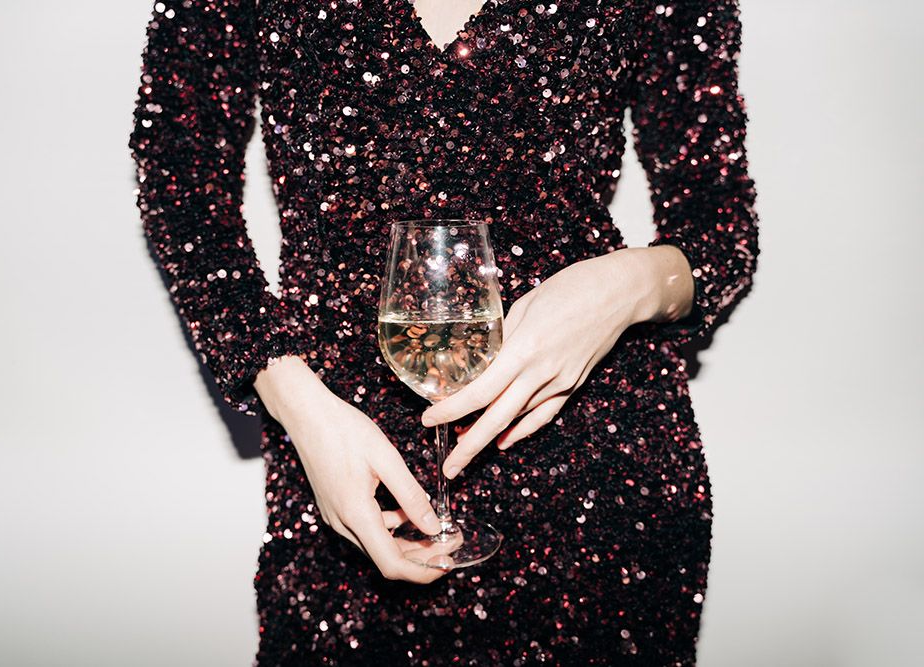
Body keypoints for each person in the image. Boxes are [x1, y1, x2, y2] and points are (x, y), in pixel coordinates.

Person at [129, 0, 759, 663]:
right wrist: (293, 399)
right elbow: (181, 183)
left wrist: (623, 288)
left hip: (600, 480)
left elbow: (719, 229)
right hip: (348, 470)